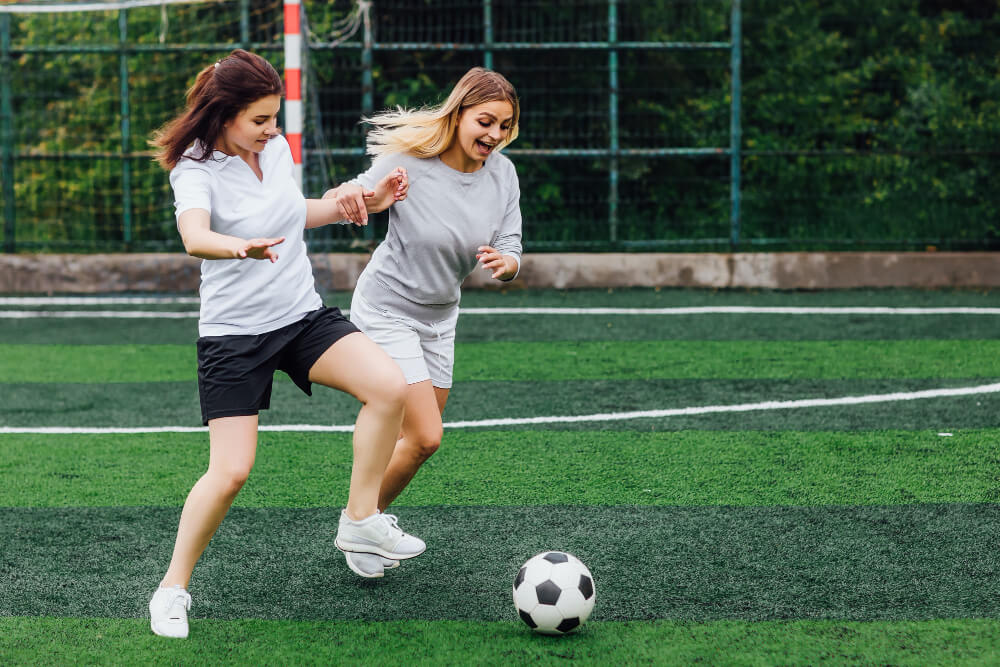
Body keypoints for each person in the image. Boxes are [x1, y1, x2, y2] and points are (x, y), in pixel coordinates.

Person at [146, 49, 425, 639]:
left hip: (300, 316)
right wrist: (235, 247)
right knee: (231, 471)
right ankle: (172, 590)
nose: (273, 130)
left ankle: (359, 520)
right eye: (260, 120)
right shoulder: (193, 169)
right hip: (234, 336)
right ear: (223, 115)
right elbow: (194, 236)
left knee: (388, 387)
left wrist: (364, 205)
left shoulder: (274, 150)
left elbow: (293, 212)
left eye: (275, 118)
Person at [323, 67, 522, 578]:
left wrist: (509, 264)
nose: (494, 136)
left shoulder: (503, 173)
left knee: (412, 445)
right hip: (387, 308)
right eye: (485, 122)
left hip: (440, 316)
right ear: (458, 114)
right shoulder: (407, 162)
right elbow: (352, 201)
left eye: (505, 126)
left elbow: (511, 242)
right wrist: (363, 196)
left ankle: (362, 529)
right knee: (427, 435)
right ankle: (358, 522)